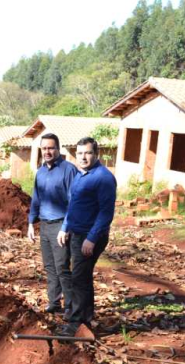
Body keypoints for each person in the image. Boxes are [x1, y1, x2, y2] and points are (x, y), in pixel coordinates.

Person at [57, 137, 116, 336]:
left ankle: (76, 324)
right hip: (76, 232)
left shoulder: (103, 177)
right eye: (80, 153)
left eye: (88, 153)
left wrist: (91, 238)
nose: (83, 157)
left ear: (96, 154)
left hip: (90, 236)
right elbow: (73, 205)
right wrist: (65, 227)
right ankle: (85, 319)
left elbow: (106, 213)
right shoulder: (80, 175)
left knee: (79, 278)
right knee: (82, 277)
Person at [27, 134, 78, 316]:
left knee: (62, 267)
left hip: (60, 226)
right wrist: (31, 223)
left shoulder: (68, 170)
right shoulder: (40, 172)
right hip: (45, 225)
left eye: (50, 148)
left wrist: (65, 228)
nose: (47, 152)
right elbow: (36, 198)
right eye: (44, 148)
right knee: (49, 267)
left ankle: (71, 307)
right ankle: (54, 303)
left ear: (58, 149)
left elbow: (74, 202)